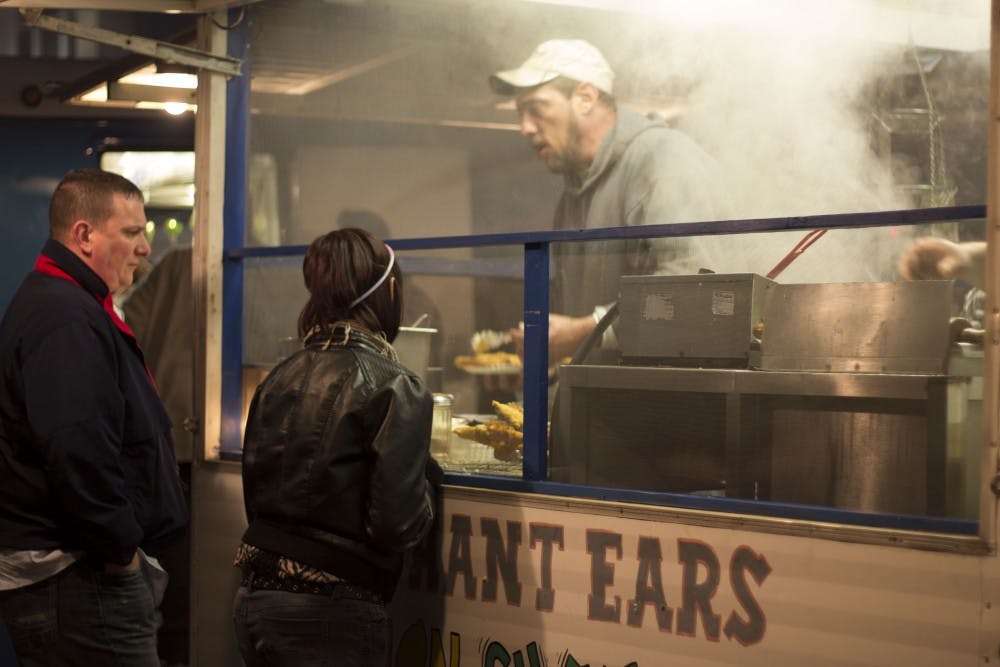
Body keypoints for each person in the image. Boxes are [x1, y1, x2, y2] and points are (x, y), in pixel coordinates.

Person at [0, 168, 188, 666]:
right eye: (130, 232)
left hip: (80, 575)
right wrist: (121, 553)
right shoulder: (64, 317)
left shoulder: (70, 304)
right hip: (80, 580)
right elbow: (77, 450)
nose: (145, 247)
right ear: (83, 235)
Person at [232, 227, 442, 666]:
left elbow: (258, 492)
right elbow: (396, 525)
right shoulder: (396, 385)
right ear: (389, 292)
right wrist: (428, 482)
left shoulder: (278, 377)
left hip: (253, 601)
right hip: (330, 610)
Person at [489, 39, 731, 362]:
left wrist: (585, 331)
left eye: (536, 109)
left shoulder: (664, 161)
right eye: (520, 114)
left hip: (672, 405)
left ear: (586, 98)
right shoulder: (573, 194)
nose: (525, 128)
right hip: (607, 402)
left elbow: (694, 293)